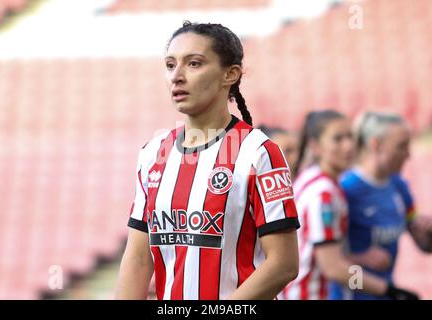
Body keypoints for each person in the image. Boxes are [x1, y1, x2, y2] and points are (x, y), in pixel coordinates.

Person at [115, 21, 300, 300]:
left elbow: (284, 264)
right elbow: (138, 259)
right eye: (169, 65)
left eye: (194, 64)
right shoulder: (153, 153)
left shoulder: (259, 152)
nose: (176, 76)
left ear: (230, 74)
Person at [280, 110, 418, 300]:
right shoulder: (324, 194)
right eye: (337, 139)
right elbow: (334, 269)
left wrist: (359, 259)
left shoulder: (312, 178)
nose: (348, 146)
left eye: (350, 137)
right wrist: (387, 290)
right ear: (316, 146)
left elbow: (318, 256)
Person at [329, 111, 432, 300]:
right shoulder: (346, 190)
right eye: (401, 146)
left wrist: (427, 232)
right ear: (375, 144)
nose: (408, 154)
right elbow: (327, 262)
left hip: (387, 292)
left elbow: (424, 245)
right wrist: (360, 261)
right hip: (352, 294)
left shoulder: (399, 186)